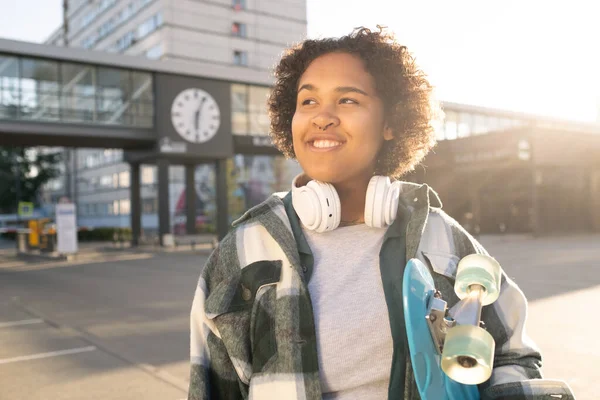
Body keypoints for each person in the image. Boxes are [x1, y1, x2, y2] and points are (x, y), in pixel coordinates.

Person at [188, 27, 575, 399]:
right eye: (308, 101)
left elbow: (513, 355)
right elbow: (210, 388)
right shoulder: (243, 250)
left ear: (391, 122)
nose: (322, 116)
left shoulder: (441, 238)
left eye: (347, 100)